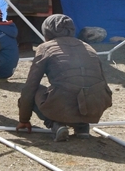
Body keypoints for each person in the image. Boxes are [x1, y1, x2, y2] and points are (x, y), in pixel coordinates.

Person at [16, 14, 112, 142]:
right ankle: (82, 127)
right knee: (84, 87)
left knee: (34, 91)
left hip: (65, 103)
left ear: (47, 32)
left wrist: (24, 119)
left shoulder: (45, 48)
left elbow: (30, 86)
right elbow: (103, 83)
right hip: (95, 104)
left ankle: (56, 125)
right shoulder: (88, 47)